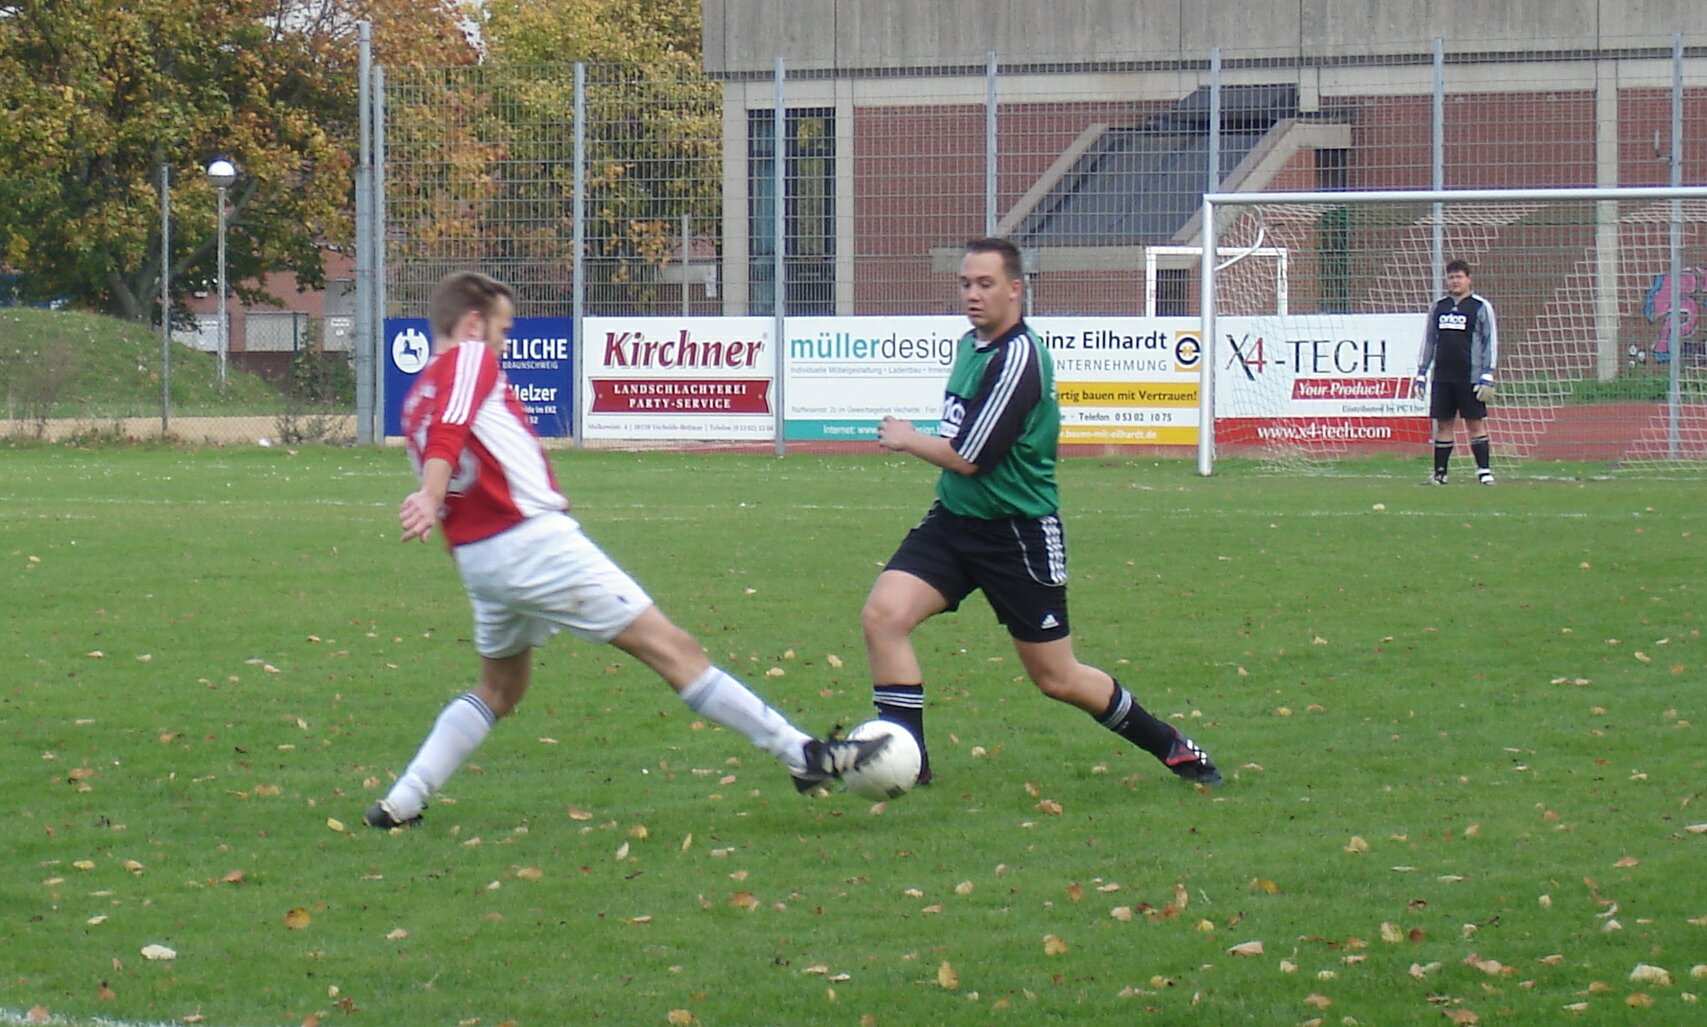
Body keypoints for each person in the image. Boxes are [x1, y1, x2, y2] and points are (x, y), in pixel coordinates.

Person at [365, 271, 886, 830]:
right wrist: (431, 493)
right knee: (674, 649)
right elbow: (453, 428)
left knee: (500, 687)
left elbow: (449, 438)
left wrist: (440, 506)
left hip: (481, 561)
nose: (504, 344)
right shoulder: (469, 358)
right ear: (473, 324)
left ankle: (403, 800)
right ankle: (801, 754)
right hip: (534, 545)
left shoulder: (415, 397)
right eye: (503, 331)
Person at [860, 237, 1222, 789]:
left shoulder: (1019, 359)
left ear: (1015, 289)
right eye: (965, 283)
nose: (973, 294)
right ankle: (909, 763)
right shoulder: (971, 346)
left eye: (985, 284)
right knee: (884, 616)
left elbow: (970, 458)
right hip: (955, 522)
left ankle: (1169, 744)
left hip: (1017, 535)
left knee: (1056, 678)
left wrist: (908, 438)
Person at [1414, 259, 1500, 485]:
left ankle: (1484, 471)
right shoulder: (1438, 307)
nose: (1455, 281)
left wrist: (1488, 373)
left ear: (1468, 279)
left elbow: (1490, 341)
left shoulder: (1480, 306)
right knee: (1443, 424)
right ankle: (1440, 473)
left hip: (1470, 376)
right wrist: (1421, 373)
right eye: (1451, 277)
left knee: (1475, 423)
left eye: (1459, 277)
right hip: (1442, 377)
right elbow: (1429, 341)